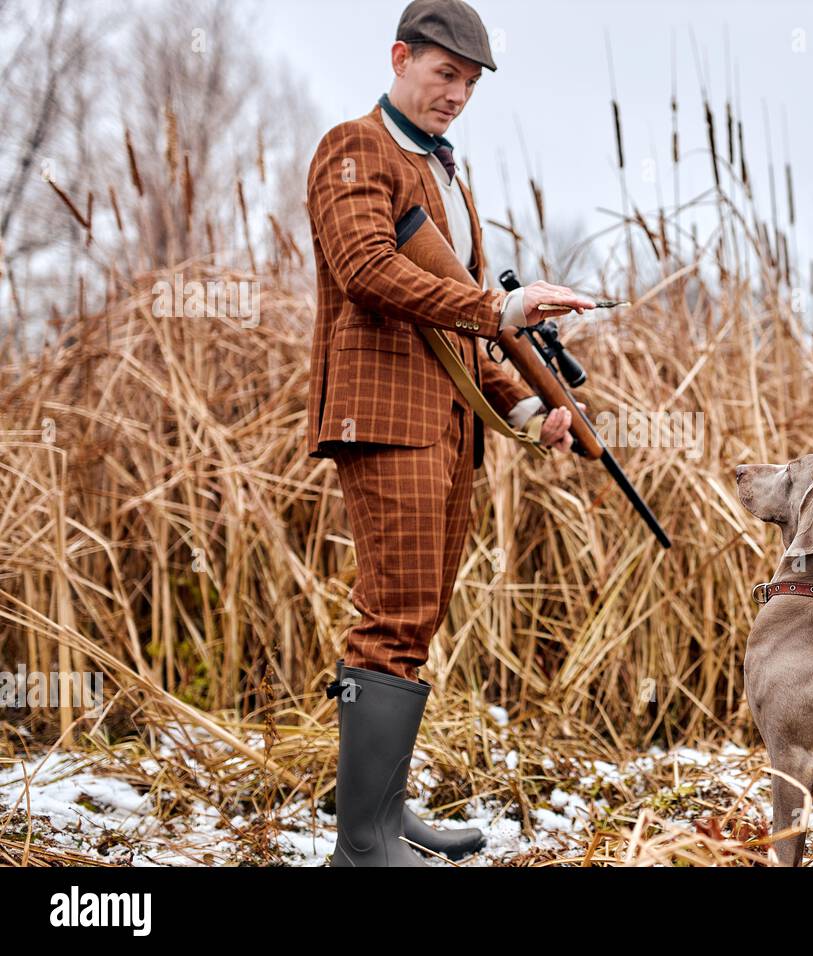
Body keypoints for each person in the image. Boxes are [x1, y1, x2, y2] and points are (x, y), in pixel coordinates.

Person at [304, 0, 595, 866]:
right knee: (391, 615)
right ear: (400, 57)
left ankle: (384, 817)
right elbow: (368, 271)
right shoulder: (355, 147)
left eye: (469, 83)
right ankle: (361, 844)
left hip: (445, 426)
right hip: (385, 421)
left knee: (418, 617)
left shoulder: (445, 174)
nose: (457, 94)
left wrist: (528, 409)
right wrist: (501, 305)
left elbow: (460, 330)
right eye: (444, 75)